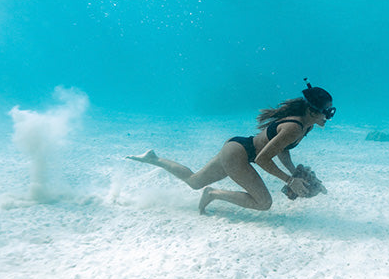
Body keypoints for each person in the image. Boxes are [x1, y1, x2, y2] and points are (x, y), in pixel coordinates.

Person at [127, 82, 335, 214]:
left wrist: (294, 173)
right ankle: (213, 194)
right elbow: (263, 158)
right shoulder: (294, 127)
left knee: (193, 181)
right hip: (239, 155)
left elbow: (282, 149)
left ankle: (153, 159)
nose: (329, 115)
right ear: (312, 110)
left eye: (330, 111)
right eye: (327, 111)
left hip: (237, 147)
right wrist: (290, 180)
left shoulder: (305, 126)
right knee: (263, 203)